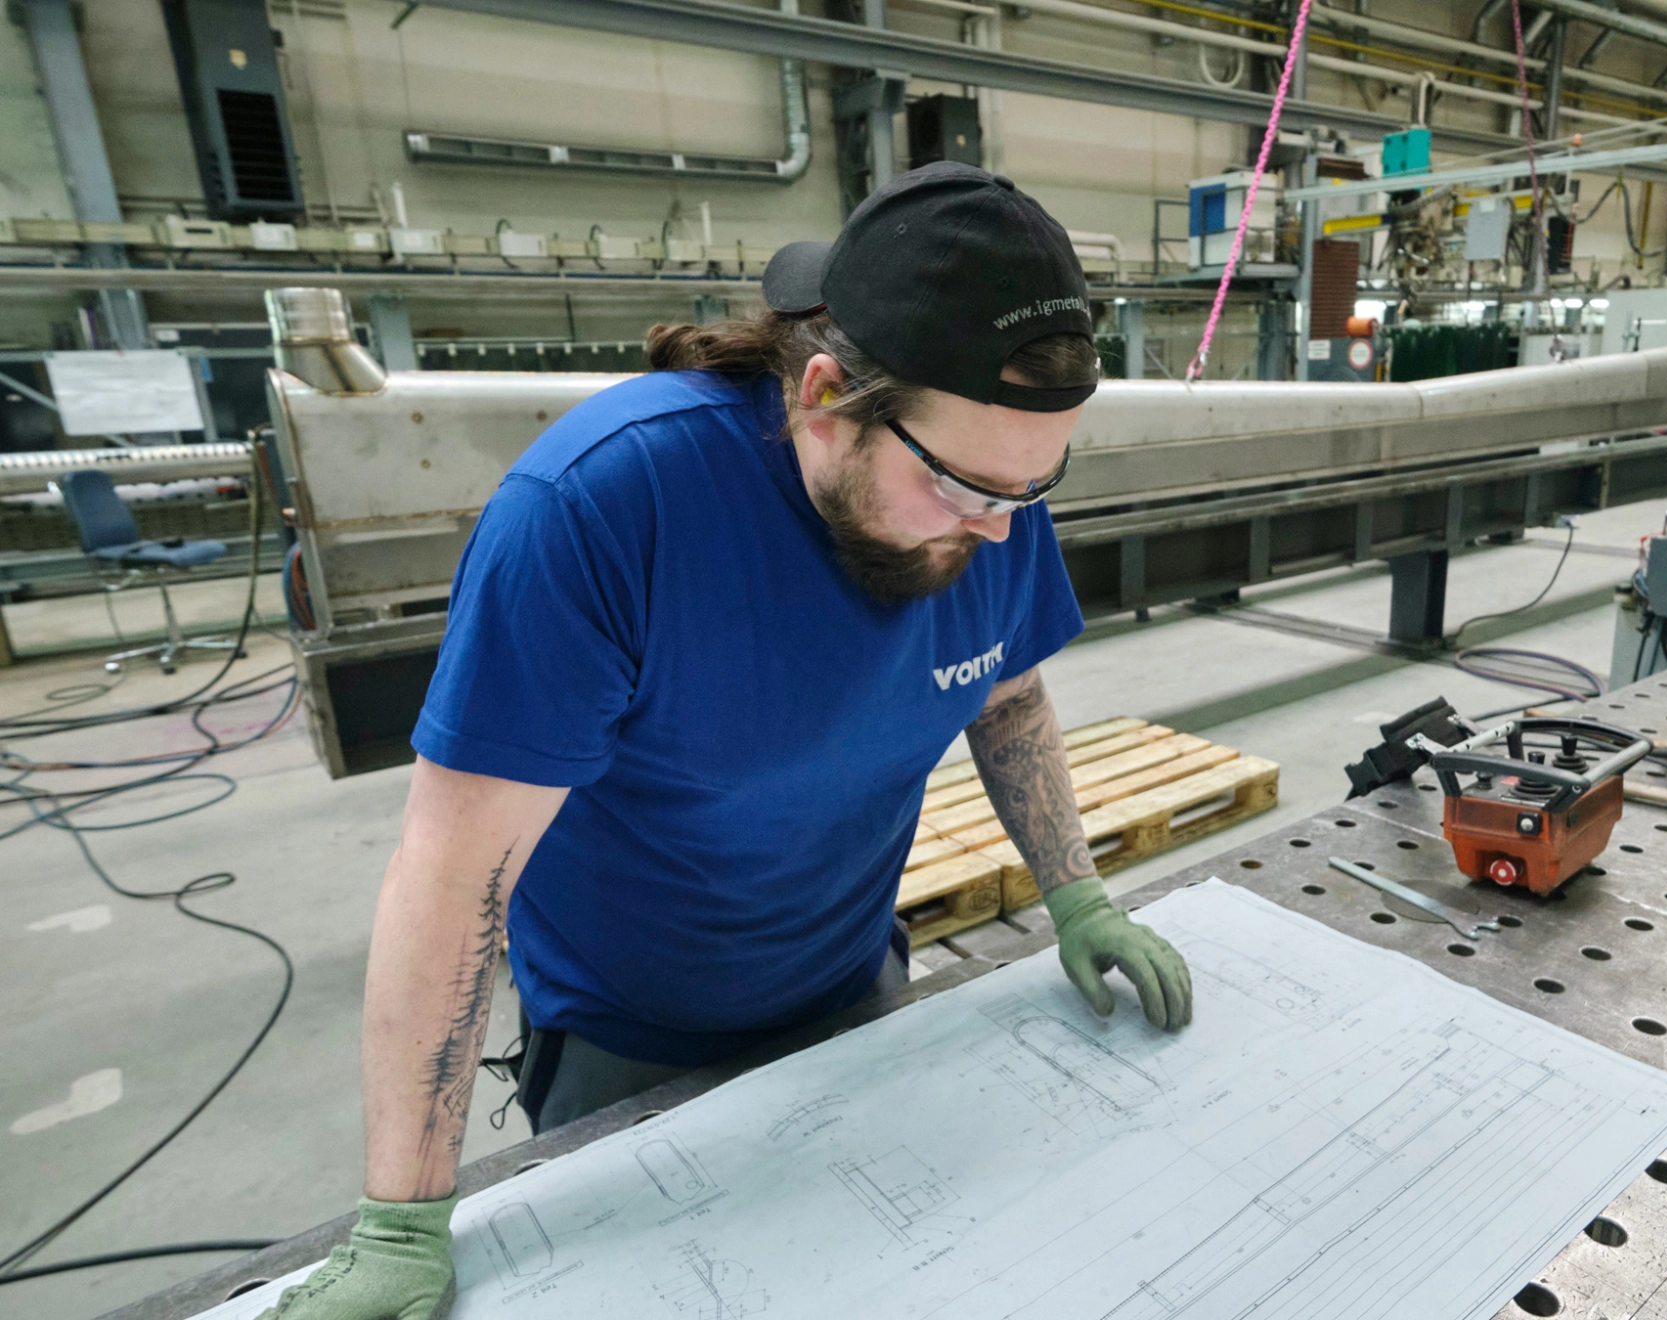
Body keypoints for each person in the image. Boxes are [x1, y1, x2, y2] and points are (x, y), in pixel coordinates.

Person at [260, 162, 1193, 1320]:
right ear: (820, 399)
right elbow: (453, 874)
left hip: (855, 983)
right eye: (962, 486)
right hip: (627, 1035)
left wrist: (1079, 897)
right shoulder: (603, 508)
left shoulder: (991, 510)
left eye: (1032, 487)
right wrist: (405, 1214)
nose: (998, 529)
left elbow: (1006, 700)